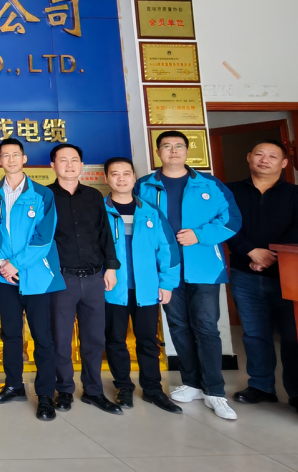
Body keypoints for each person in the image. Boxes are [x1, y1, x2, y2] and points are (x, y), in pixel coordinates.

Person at [136, 130, 242, 420]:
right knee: (178, 325)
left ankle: (215, 390)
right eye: (167, 146)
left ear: (187, 151)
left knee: (206, 326)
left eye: (179, 146)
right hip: (165, 269)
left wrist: (199, 235)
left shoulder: (210, 184)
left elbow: (232, 220)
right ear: (158, 152)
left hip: (204, 267)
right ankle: (192, 383)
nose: (173, 151)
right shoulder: (145, 185)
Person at [226, 140, 298, 418]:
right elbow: (225, 224)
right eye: (259, 154)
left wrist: (270, 256)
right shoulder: (230, 191)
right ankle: (261, 386)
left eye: (272, 156)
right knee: (255, 334)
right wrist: (251, 251)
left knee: (293, 335)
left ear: (284, 163)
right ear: (249, 157)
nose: (264, 160)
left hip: (290, 277)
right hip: (245, 273)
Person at [0, 138, 63, 421]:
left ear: (24, 158)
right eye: (5, 155)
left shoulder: (42, 194)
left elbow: (44, 237)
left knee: (42, 336)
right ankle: (14, 385)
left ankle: (45, 395)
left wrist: (15, 263)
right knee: (11, 334)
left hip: (37, 276)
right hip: (4, 277)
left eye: (15, 154)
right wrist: (1, 264)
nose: (11, 159)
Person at [102, 157, 182, 414]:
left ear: (134, 178)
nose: (121, 178)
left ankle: (153, 389)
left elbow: (167, 249)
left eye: (126, 173)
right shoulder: (99, 211)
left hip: (146, 288)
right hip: (112, 289)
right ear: (106, 178)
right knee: (115, 339)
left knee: (148, 340)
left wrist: (167, 283)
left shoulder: (150, 211)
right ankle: (123, 387)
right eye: (115, 174)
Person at [47, 143, 122, 415]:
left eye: (74, 160)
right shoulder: (44, 197)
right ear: (52, 165)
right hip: (61, 279)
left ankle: (93, 390)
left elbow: (105, 234)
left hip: (93, 278)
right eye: (63, 160)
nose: (69, 165)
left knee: (94, 339)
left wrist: (111, 267)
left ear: (81, 165)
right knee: (61, 339)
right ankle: (64, 390)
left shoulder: (93, 196)